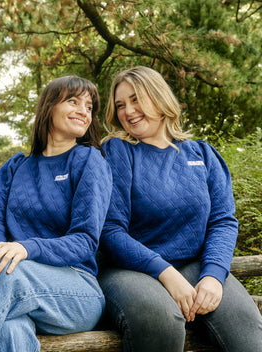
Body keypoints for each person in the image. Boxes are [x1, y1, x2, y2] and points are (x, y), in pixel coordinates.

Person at [98, 66, 262, 352]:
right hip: (128, 269)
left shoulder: (203, 154)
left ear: (159, 97)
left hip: (195, 265)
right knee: (161, 319)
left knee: (245, 326)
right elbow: (110, 230)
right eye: (121, 105)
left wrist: (212, 275)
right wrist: (166, 273)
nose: (128, 111)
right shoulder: (118, 151)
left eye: (136, 99)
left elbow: (223, 221)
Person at [0, 75, 112, 352]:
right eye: (73, 101)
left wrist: (25, 248)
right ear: (49, 107)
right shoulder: (14, 167)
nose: (84, 111)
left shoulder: (89, 160)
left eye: (89, 106)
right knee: (10, 329)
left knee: (8, 271)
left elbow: (85, 240)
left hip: (76, 291)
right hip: (12, 286)